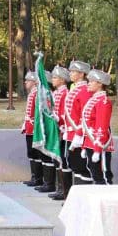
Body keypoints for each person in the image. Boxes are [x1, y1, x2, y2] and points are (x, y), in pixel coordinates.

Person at [81, 69, 115, 185]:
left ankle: (108, 201)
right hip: (91, 142)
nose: (88, 83)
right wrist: (85, 146)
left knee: (104, 176)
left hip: (99, 143)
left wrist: (97, 149)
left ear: (100, 84)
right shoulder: (94, 100)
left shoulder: (103, 101)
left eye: (91, 81)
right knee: (95, 173)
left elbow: (102, 126)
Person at [63, 60, 93, 184]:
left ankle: (82, 200)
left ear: (81, 74)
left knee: (82, 167)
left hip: (79, 135)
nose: (70, 74)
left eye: (73, 71)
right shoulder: (75, 89)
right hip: (71, 133)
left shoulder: (85, 90)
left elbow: (85, 115)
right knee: (74, 165)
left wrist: (79, 134)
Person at [49, 65, 71, 201]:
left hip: (61, 130)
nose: (52, 80)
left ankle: (64, 190)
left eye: (55, 77)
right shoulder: (56, 93)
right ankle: (60, 188)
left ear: (63, 80)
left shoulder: (64, 93)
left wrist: (58, 120)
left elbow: (65, 113)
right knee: (56, 160)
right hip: (55, 129)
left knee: (62, 160)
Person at [20, 71, 42, 186]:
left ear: (34, 82)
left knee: (35, 153)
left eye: (28, 80)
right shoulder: (32, 93)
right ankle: (34, 176)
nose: (25, 82)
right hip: (29, 127)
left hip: (34, 128)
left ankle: (38, 178)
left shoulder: (36, 93)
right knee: (31, 152)